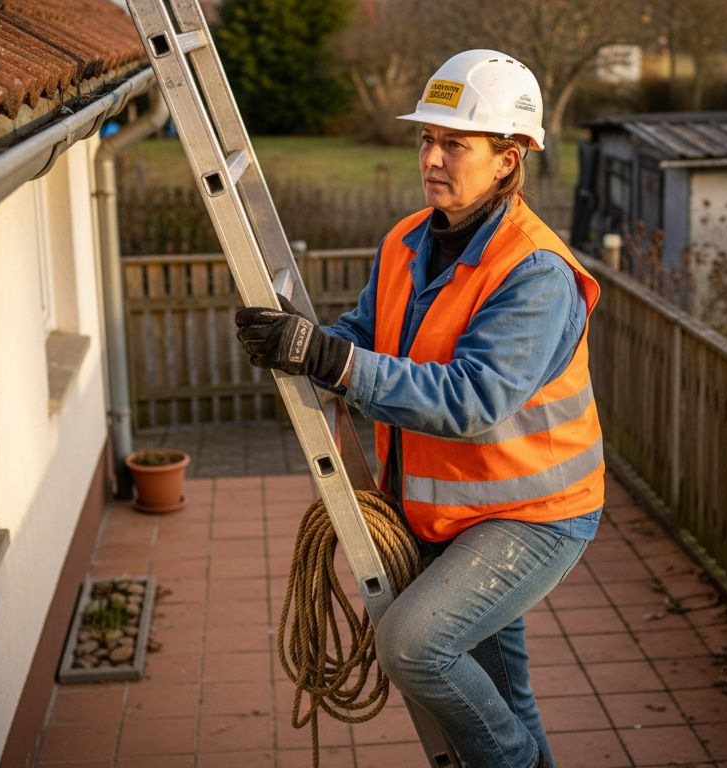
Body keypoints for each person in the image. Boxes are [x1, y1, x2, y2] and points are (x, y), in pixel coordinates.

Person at [235, 49, 604, 768]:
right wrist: (304, 344)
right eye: (426, 139)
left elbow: (475, 399)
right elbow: (371, 333)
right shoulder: (408, 239)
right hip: (453, 511)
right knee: (505, 689)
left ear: (508, 158)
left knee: (414, 643)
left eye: (454, 144)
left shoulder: (535, 274)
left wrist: (332, 361)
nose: (431, 157)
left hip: (536, 517)